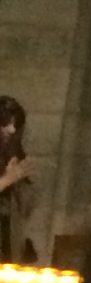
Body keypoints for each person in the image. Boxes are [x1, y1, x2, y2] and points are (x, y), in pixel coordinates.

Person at [0, 97, 32, 263]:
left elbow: (27, 208)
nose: (11, 130)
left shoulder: (12, 152)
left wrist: (20, 179)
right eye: (5, 123)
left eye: (15, 125)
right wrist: (7, 180)